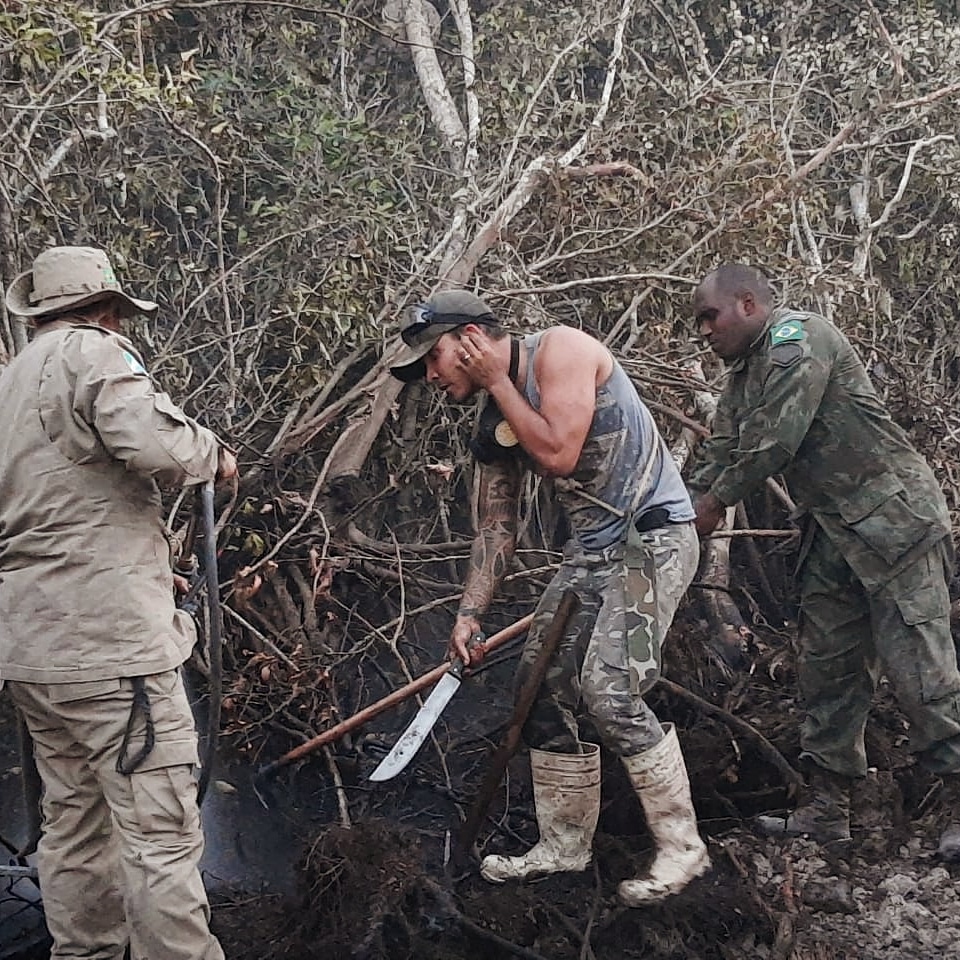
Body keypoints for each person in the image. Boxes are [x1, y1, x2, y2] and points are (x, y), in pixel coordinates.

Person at [389, 289, 710, 904]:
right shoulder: (493, 424)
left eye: (435, 358)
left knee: (609, 689)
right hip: (591, 555)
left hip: (655, 540)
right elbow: (495, 528)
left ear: (473, 340)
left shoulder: (559, 351)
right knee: (538, 686)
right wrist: (469, 614)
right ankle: (564, 846)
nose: (430, 376)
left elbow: (560, 454)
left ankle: (683, 848)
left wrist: (498, 384)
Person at [0, 246, 235, 959]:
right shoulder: (95, 354)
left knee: (73, 822)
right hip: (110, 651)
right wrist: (215, 453)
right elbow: (158, 448)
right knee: (158, 834)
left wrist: (149, 568)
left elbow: (54, 510)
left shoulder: (10, 382)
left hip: (30, 645)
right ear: (107, 309)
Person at [687, 262, 960, 858]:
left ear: (749, 304)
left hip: (894, 524)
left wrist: (716, 502)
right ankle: (828, 811)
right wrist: (681, 508)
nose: (703, 331)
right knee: (828, 673)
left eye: (710, 316)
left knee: (921, 672)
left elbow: (777, 439)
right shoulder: (739, 379)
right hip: (832, 535)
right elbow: (722, 449)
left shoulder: (800, 340)